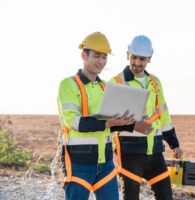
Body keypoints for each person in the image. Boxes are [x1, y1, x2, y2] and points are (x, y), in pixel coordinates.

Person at [57, 31, 135, 200]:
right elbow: (74, 122)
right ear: (84, 55)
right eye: (97, 56)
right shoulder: (68, 85)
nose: (101, 61)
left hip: (105, 162)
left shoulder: (105, 88)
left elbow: (110, 123)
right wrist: (108, 123)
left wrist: (130, 123)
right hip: (79, 162)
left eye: (104, 57)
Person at [110, 35, 183, 200]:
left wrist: (174, 144)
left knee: (166, 197)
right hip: (130, 154)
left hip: (155, 152)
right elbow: (108, 123)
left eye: (142, 59)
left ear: (149, 58)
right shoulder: (116, 82)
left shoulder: (155, 82)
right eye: (134, 57)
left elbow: (163, 114)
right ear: (127, 54)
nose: (137, 62)